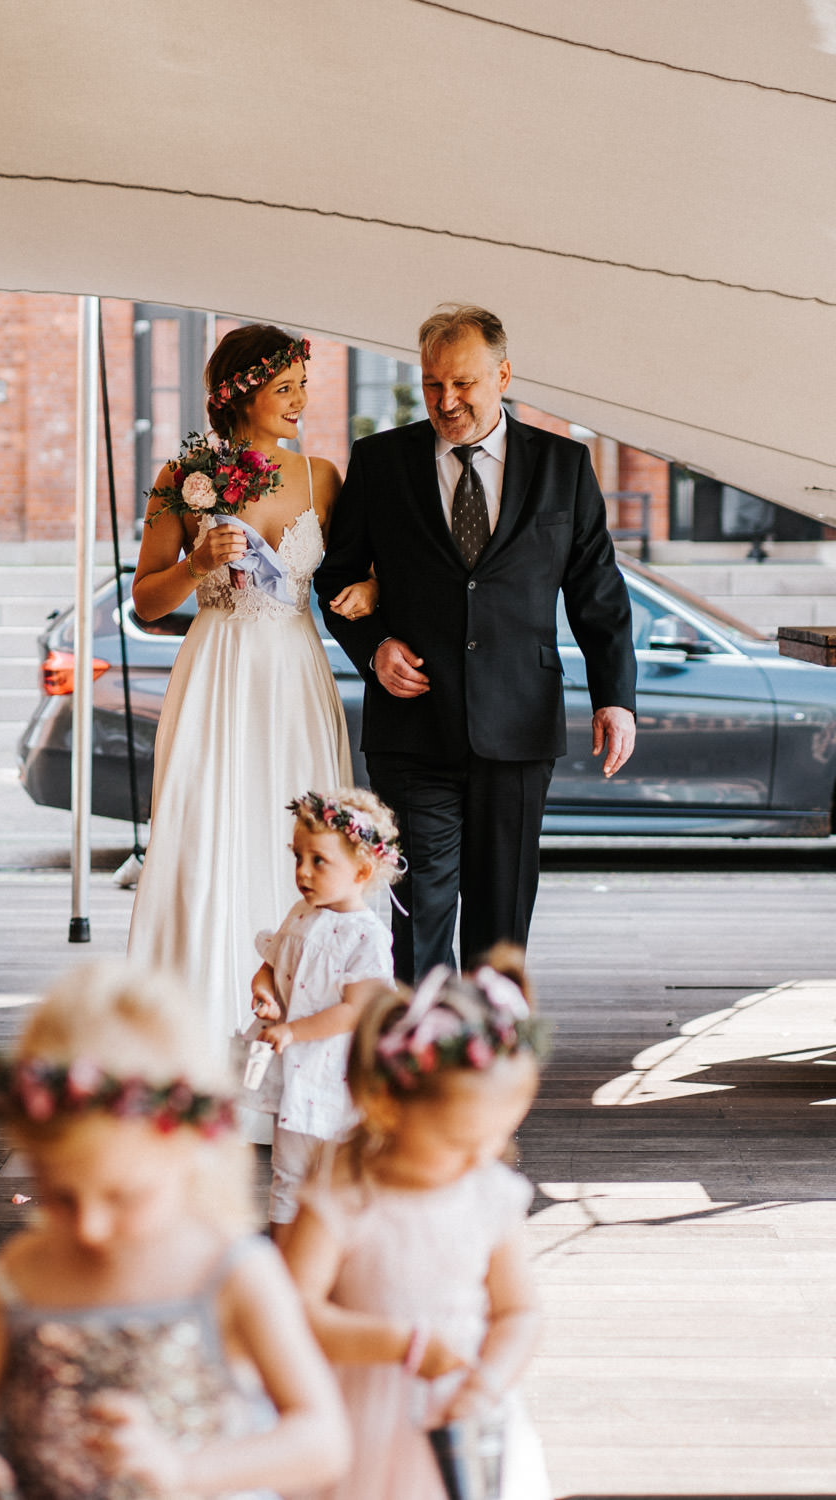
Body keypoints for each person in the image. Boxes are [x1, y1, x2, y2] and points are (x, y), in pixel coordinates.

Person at [0, 958, 351, 1500]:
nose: (90, 1227)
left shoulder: (232, 1272)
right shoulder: (20, 1276)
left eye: (124, 1197)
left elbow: (323, 1440)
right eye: (60, 1197)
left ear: (191, 1152)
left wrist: (186, 1473)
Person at [315, 302, 637, 980]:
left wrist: (616, 697)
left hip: (518, 724)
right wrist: (373, 646)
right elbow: (338, 576)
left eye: (463, 383)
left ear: (504, 375)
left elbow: (596, 592)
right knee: (419, 906)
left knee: (501, 915)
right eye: (434, 383)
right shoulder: (380, 462)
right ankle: (419, 1065)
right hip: (413, 725)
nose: (447, 399)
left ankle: (489, 1061)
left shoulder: (564, 467)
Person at [128, 324, 376, 1053]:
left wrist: (370, 586)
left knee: (298, 838)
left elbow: (367, 565)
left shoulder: (321, 477)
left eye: (303, 385)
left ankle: (303, 1043)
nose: (301, 401)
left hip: (293, 675)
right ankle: (193, 1043)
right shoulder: (186, 476)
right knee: (203, 837)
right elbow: (146, 601)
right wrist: (195, 562)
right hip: (215, 673)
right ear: (241, 393)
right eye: (285, 388)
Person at [283, 952, 551, 1500]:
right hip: (361, 1413)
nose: (484, 1157)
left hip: (461, 1412)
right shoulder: (346, 1192)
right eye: (462, 1142)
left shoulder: (488, 1195)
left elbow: (519, 1311)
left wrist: (489, 1382)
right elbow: (293, 1312)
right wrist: (400, 1344)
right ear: (388, 1108)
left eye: (499, 1138)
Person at [246, 787, 401, 1245]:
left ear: (362, 870)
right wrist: (266, 996)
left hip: (337, 1074)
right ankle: (284, 1256)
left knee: (340, 1170)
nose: (302, 872)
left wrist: (294, 1030)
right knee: (288, 1171)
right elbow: (269, 967)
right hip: (294, 1071)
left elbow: (356, 1011)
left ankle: (340, 1254)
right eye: (298, 858)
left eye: (318, 862)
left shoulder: (365, 938)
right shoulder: (300, 914)